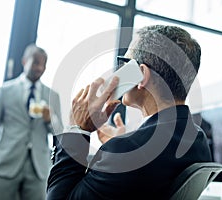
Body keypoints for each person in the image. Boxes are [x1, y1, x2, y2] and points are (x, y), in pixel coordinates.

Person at [47, 25, 212, 200]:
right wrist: (120, 147)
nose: (119, 71)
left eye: (125, 63)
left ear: (142, 74)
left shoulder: (127, 152)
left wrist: (77, 130)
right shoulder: (198, 140)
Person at [0, 44, 63, 200]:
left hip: (38, 171)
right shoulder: (5, 91)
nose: (39, 68)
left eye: (43, 64)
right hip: (4, 167)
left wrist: (51, 120)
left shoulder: (52, 96)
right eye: (36, 62)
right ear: (24, 61)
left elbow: (61, 134)